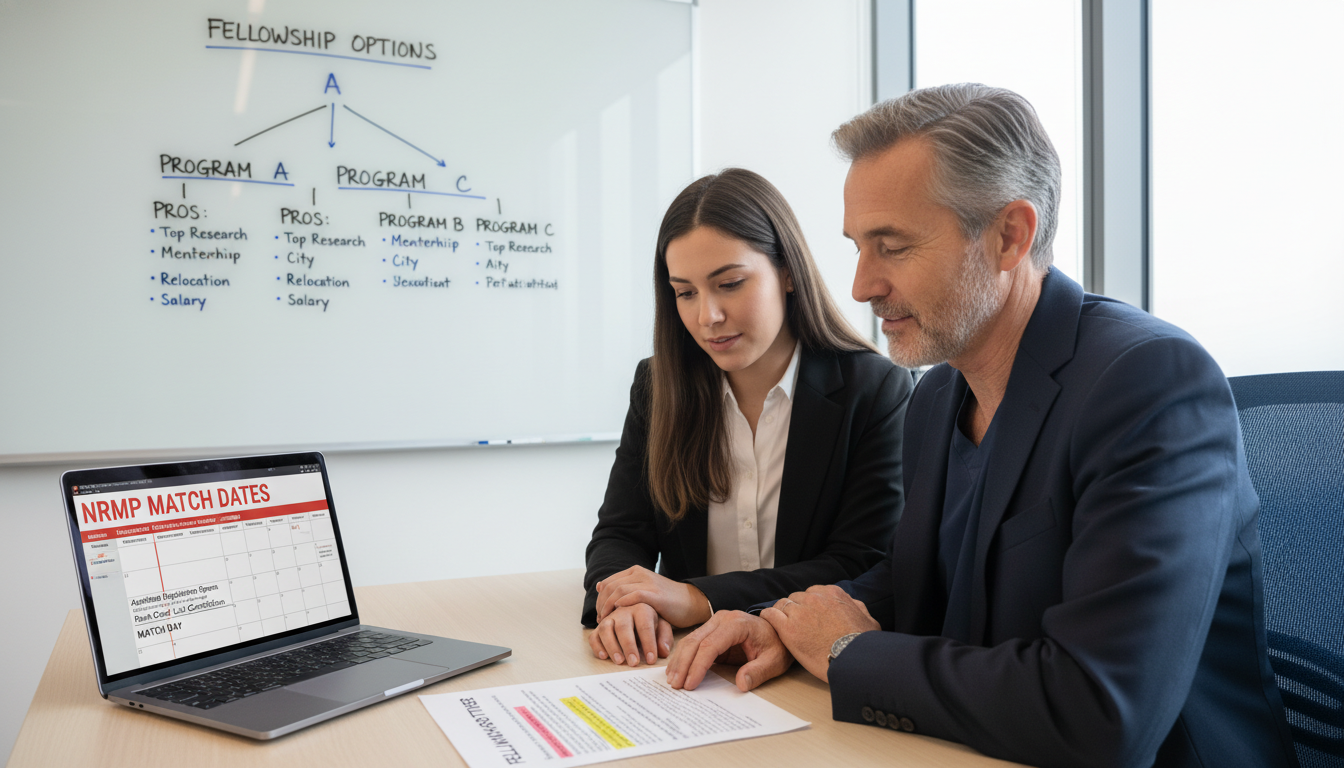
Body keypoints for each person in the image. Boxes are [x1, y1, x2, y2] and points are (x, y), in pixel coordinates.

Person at [664, 85, 1298, 768]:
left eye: (892, 246)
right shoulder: (938, 396)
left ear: (1008, 236)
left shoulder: (1149, 384)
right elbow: (914, 585)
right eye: (857, 246)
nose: (860, 285)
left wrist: (849, 651)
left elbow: (1103, 712)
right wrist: (787, 624)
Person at [582, 168, 912, 669]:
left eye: (729, 284)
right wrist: (622, 606)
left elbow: (860, 563)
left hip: (802, 665)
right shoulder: (658, 386)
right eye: (685, 292)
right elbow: (620, 534)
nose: (706, 316)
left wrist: (697, 599)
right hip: (686, 665)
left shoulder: (876, 390)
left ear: (788, 272)